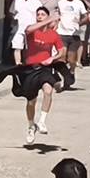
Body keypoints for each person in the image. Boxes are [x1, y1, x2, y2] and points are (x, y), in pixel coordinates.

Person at [22, 8, 67, 143]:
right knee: (31, 101)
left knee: (48, 90)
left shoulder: (53, 34)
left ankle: (42, 121)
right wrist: (49, 19)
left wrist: (52, 58)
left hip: (45, 68)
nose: (40, 16)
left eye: (43, 15)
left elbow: (61, 51)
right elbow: (28, 30)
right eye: (38, 15)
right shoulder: (32, 30)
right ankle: (31, 126)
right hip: (30, 68)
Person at [58, 0, 89, 74]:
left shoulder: (79, 3)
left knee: (71, 59)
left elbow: (86, 17)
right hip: (62, 32)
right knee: (62, 56)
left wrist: (79, 23)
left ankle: (71, 72)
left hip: (74, 34)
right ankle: (63, 75)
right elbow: (58, 15)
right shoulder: (61, 3)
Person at [11, 0, 44, 65]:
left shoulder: (37, 2)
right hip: (18, 28)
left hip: (31, 29)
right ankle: (18, 64)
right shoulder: (17, 0)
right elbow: (11, 12)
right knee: (17, 47)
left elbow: (41, 16)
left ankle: (29, 63)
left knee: (30, 48)